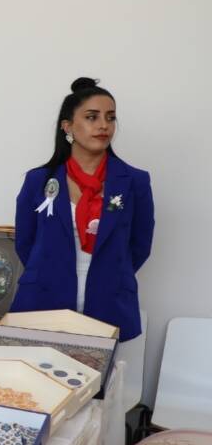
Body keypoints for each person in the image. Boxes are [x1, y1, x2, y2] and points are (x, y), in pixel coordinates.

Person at [12, 78, 153, 340]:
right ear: (68, 126)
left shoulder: (135, 181)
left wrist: (110, 274)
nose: (103, 125)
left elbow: (140, 245)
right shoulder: (38, 180)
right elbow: (25, 243)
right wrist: (51, 271)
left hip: (110, 304)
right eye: (92, 117)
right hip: (42, 303)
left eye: (110, 118)